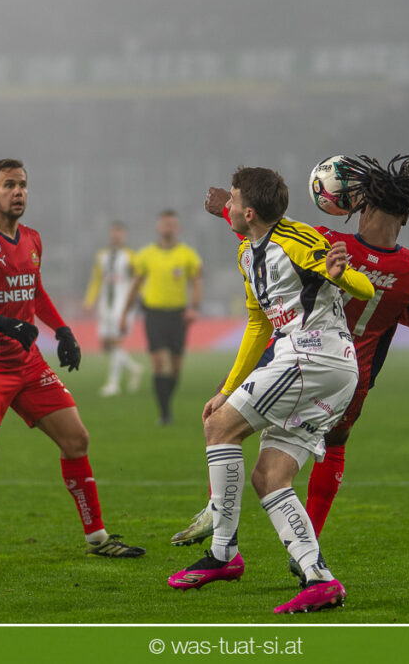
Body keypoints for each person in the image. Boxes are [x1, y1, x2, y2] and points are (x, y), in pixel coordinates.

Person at [173, 154, 409, 586]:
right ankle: (310, 558)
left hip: (303, 355)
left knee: (222, 425)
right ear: (405, 217)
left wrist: (225, 209)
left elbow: (273, 236)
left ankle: (221, 535)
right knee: (298, 462)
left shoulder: (329, 241)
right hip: (356, 374)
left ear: (361, 206)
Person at [166, 166, 375, 614]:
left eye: (233, 200)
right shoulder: (248, 252)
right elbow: (259, 324)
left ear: (249, 212)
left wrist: (341, 275)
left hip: (310, 358)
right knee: (269, 477)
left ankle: (223, 552)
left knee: (219, 428)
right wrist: (228, 387)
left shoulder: (297, 241)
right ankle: (319, 579)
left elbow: (365, 287)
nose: (227, 206)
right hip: (329, 370)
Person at [0, 158, 145, 566]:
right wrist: (0, 322)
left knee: (76, 439)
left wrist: (63, 331)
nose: (18, 192)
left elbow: (35, 291)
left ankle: (97, 537)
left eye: (23, 185)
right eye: (9, 185)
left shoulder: (32, 239)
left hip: (28, 364)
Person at [120, 209, 202, 426]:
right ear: (158, 227)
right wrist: (124, 314)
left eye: (172, 224)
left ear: (178, 227)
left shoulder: (188, 255)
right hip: (154, 314)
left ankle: (167, 403)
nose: (168, 227)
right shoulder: (145, 255)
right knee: (158, 362)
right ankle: (165, 414)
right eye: (165, 224)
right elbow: (135, 286)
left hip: (178, 315)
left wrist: (194, 307)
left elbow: (196, 282)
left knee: (175, 367)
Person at [83, 221, 144, 397]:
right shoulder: (102, 256)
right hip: (105, 305)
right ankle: (134, 368)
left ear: (124, 235)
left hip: (122, 305)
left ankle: (113, 384)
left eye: (119, 233)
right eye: (113, 233)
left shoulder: (130, 256)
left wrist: (141, 299)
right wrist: (89, 300)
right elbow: (96, 279)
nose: (116, 236)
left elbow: (138, 279)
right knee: (106, 345)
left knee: (116, 342)